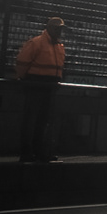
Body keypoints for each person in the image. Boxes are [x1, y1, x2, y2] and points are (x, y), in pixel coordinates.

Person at [15, 17, 67, 163]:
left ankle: (40, 152)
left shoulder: (58, 46)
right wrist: (25, 80)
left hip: (49, 87)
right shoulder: (36, 43)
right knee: (32, 120)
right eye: (57, 28)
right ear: (49, 28)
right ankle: (28, 152)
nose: (59, 31)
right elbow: (22, 63)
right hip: (36, 85)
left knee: (43, 121)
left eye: (60, 29)